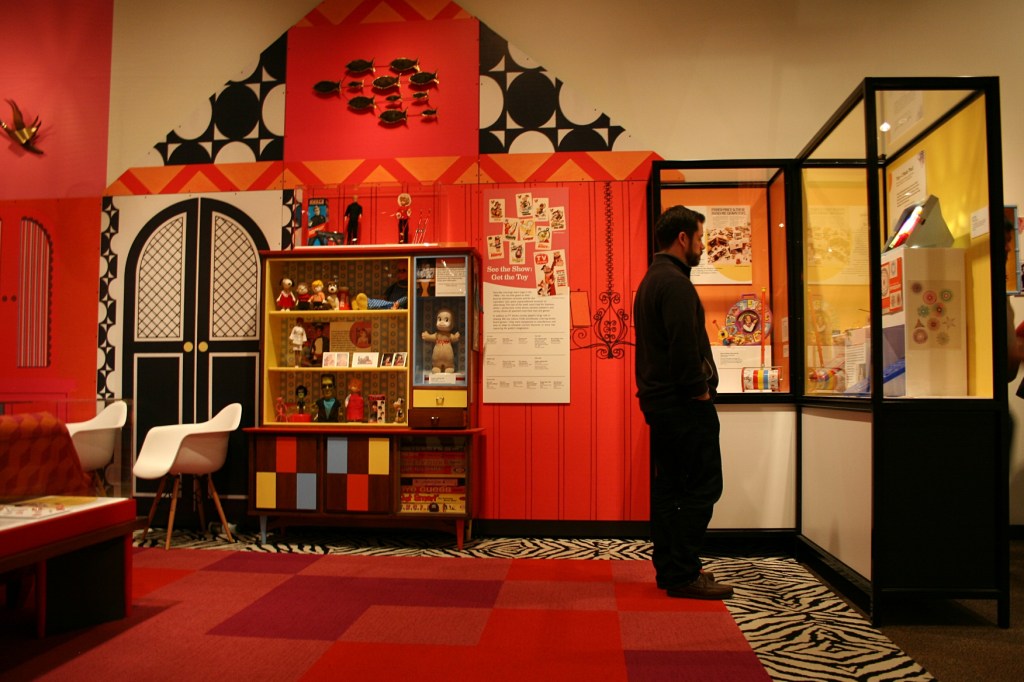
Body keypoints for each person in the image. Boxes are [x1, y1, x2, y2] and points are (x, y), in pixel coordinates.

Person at [633, 205, 733, 600]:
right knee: (704, 486)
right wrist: (700, 392)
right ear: (682, 238)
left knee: (671, 488)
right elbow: (683, 351)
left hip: (662, 403)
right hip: (682, 404)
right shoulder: (673, 283)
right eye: (701, 237)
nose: (703, 246)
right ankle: (684, 572)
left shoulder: (653, 279)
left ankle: (673, 572)